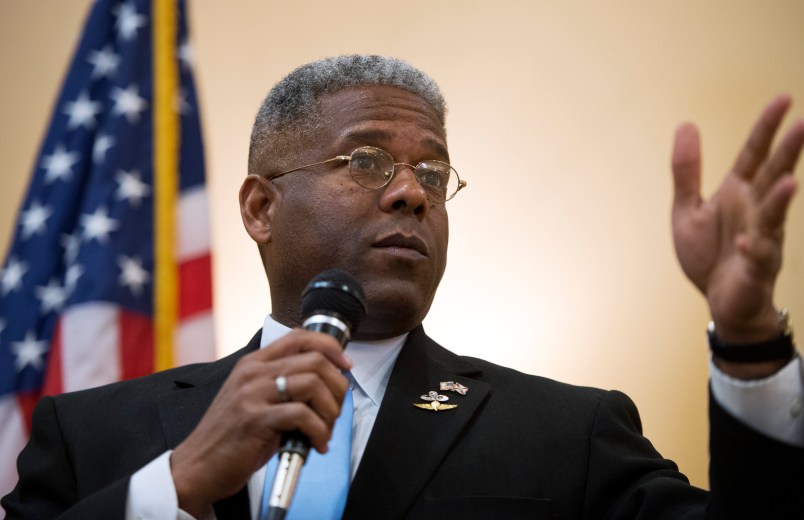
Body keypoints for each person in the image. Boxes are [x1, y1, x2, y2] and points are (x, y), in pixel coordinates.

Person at [3, 54, 803, 520]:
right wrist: (172, 487)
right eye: (366, 162)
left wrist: (748, 343)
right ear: (259, 208)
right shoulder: (90, 436)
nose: (412, 192)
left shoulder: (568, 434)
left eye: (431, 171)